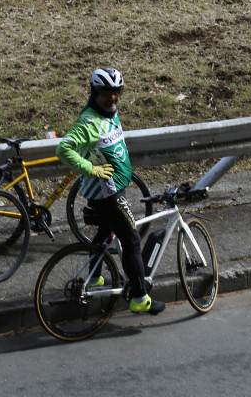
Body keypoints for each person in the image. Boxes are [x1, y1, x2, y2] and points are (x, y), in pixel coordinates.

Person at [56, 66, 164, 315]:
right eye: (106, 92)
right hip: (108, 194)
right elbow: (64, 149)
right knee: (132, 239)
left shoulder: (109, 111)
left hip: (109, 190)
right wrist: (90, 170)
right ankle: (139, 298)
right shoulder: (90, 122)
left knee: (105, 235)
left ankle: (94, 279)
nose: (113, 97)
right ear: (94, 92)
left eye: (117, 91)